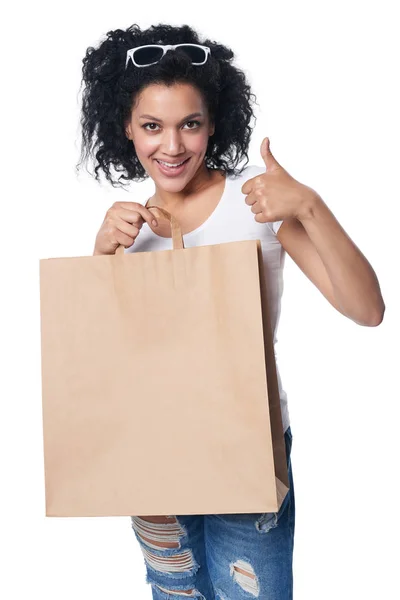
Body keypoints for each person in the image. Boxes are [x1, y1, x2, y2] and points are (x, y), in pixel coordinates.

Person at [76, 22, 385, 600]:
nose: (172, 146)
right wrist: (99, 258)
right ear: (126, 130)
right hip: (150, 452)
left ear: (213, 124)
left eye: (189, 124)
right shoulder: (126, 228)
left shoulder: (257, 204)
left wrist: (311, 207)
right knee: (174, 593)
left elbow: (367, 310)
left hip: (247, 448)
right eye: (152, 126)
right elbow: (97, 362)